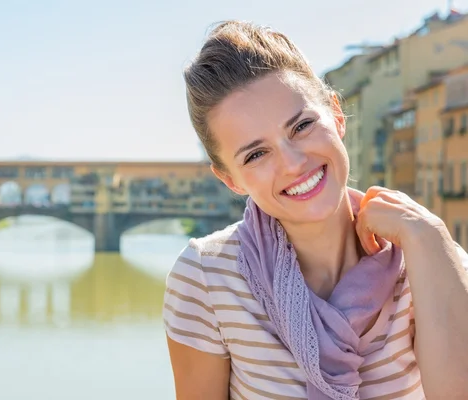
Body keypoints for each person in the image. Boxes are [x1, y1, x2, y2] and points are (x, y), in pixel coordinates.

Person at [162, 20, 468, 400]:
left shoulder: (431, 259)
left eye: (302, 126)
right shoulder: (206, 278)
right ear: (231, 180)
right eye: (257, 154)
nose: (292, 163)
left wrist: (430, 238)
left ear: (336, 116)